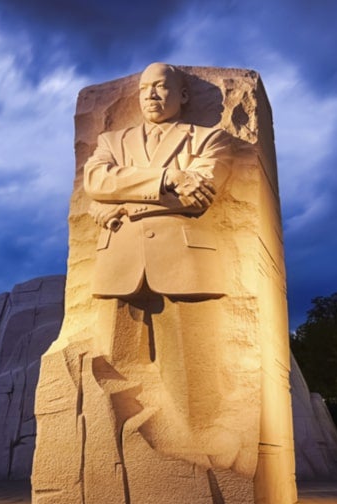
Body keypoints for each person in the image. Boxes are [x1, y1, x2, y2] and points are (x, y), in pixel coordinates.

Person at [81, 62, 247, 474]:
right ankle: (117, 452)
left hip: (184, 262)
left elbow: (198, 198)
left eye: (161, 88)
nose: (151, 95)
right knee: (114, 361)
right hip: (119, 262)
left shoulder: (211, 139)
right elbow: (96, 183)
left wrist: (123, 203)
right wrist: (169, 178)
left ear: (183, 95)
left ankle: (198, 445)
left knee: (192, 367)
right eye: (144, 89)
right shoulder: (111, 140)